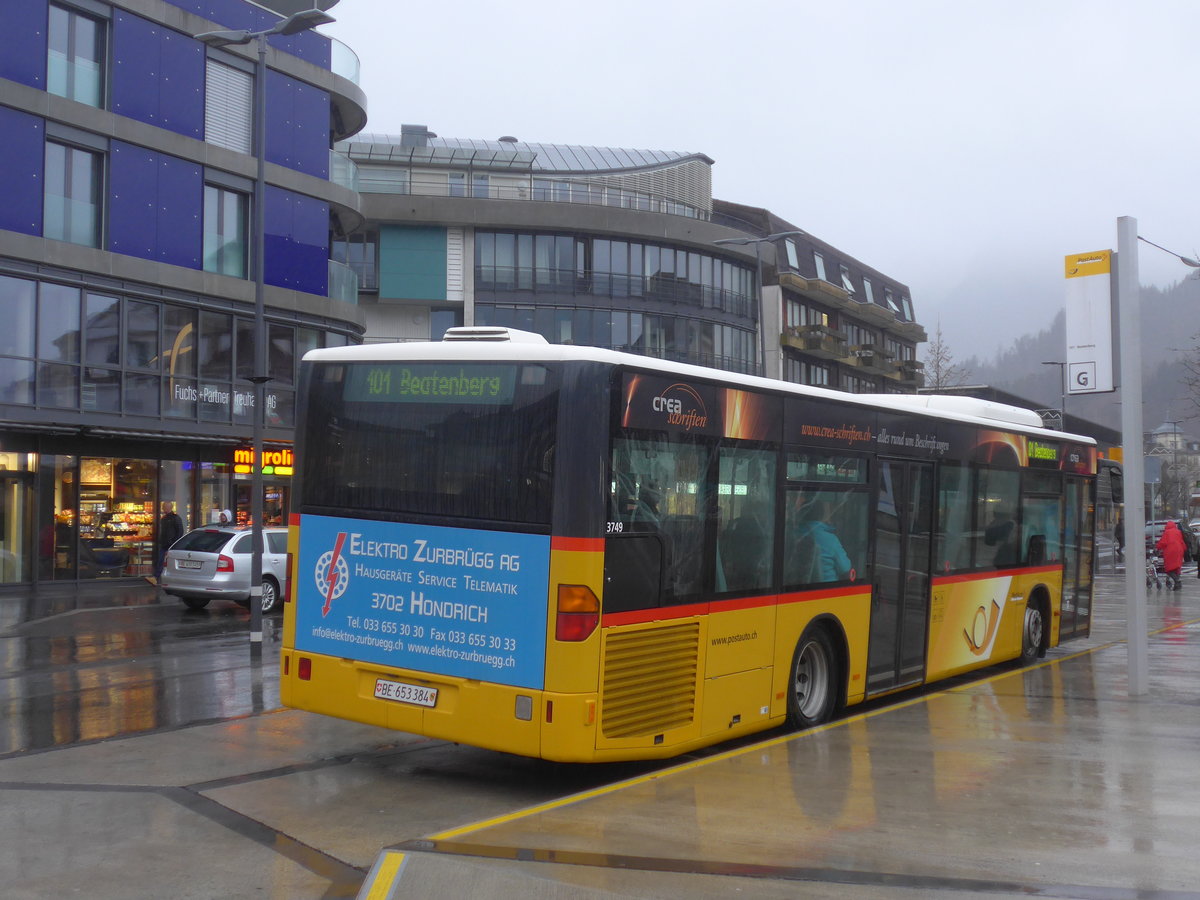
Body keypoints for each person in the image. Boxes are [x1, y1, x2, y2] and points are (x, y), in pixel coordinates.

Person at [790, 498, 852, 583]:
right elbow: (845, 568)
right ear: (821, 515)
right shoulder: (830, 539)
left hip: (796, 587)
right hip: (828, 590)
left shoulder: (792, 535)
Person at [156, 501, 184, 579]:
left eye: (164, 507)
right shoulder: (164, 518)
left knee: (164, 561)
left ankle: (158, 577)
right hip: (165, 543)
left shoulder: (175, 518)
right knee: (161, 561)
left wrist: (173, 542)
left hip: (170, 544)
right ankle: (157, 576)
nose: (162, 508)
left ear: (168, 508)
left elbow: (180, 531)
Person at [1155, 521, 1186, 591]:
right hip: (1179, 550)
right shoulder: (1178, 532)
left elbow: (1163, 542)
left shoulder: (1167, 532)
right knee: (1177, 568)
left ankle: (1177, 581)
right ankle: (1177, 585)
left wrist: (1157, 547)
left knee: (1169, 569)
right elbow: (1181, 541)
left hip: (1170, 551)